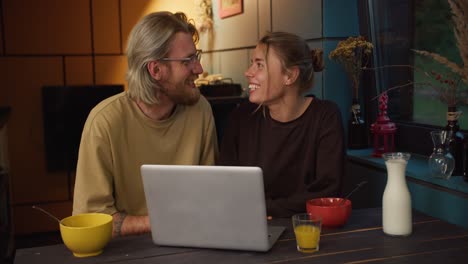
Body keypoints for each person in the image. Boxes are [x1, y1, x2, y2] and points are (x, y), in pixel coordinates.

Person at [73, 12, 218, 237]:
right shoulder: (104, 122)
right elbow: (92, 219)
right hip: (127, 249)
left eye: (196, 56)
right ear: (156, 70)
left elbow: (211, 196)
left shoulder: (201, 110)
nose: (198, 69)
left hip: (193, 240)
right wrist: (160, 222)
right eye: (187, 61)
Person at [218, 31, 345, 218]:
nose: (248, 72)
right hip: (249, 225)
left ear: (290, 76)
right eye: (252, 63)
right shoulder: (241, 117)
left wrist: (263, 209)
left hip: (309, 230)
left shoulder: (325, 117)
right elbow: (226, 185)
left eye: (259, 65)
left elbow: (327, 192)